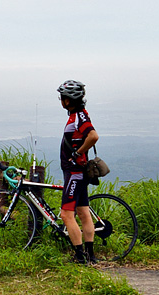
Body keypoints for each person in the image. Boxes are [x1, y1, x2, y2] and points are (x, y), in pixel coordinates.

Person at [57, 80, 99, 264]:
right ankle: (90, 256)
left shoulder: (79, 118)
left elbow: (93, 136)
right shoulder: (78, 115)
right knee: (83, 212)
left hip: (75, 172)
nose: (61, 100)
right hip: (77, 172)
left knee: (67, 214)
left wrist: (77, 153)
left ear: (68, 100)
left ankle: (80, 257)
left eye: (62, 97)